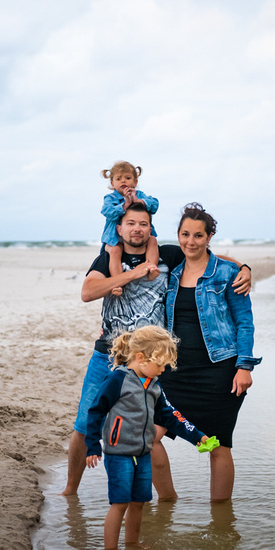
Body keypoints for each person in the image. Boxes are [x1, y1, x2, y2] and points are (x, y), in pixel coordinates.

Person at [62, 201, 251, 497]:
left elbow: (207, 258)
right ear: (119, 228)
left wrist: (243, 268)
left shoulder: (168, 256)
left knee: (170, 433)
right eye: (131, 223)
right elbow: (87, 292)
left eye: (143, 224)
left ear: (151, 229)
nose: (137, 229)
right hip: (114, 355)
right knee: (88, 423)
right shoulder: (108, 257)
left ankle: (172, 504)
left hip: (157, 362)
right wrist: (133, 274)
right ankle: (71, 491)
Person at [157, 203, 260, 503]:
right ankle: (168, 502)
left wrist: (245, 367)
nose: (191, 241)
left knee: (217, 447)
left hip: (219, 374)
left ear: (209, 236)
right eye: (185, 234)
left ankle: (221, 519)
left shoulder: (227, 273)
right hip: (175, 374)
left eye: (198, 235)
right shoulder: (170, 274)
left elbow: (244, 322)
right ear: (178, 235)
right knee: (148, 437)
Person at [84, 325, 211, 550]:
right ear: (141, 358)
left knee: (139, 503)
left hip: (143, 454)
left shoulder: (153, 385)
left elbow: (170, 417)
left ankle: (132, 545)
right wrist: (93, 445)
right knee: (120, 503)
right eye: (160, 364)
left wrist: (197, 436)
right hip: (119, 453)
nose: (163, 370)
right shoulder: (117, 380)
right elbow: (95, 411)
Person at [100, 161, 159, 281]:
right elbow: (107, 211)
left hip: (137, 236)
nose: (123, 181)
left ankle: (151, 268)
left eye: (128, 178)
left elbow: (155, 205)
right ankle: (117, 281)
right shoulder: (110, 198)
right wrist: (124, 205)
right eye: (118, 179)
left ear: (135, 182)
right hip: (114, 238)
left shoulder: (140, 195)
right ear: (112, 183)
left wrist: (139, 201)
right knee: (115, 251)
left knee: (152, 240)